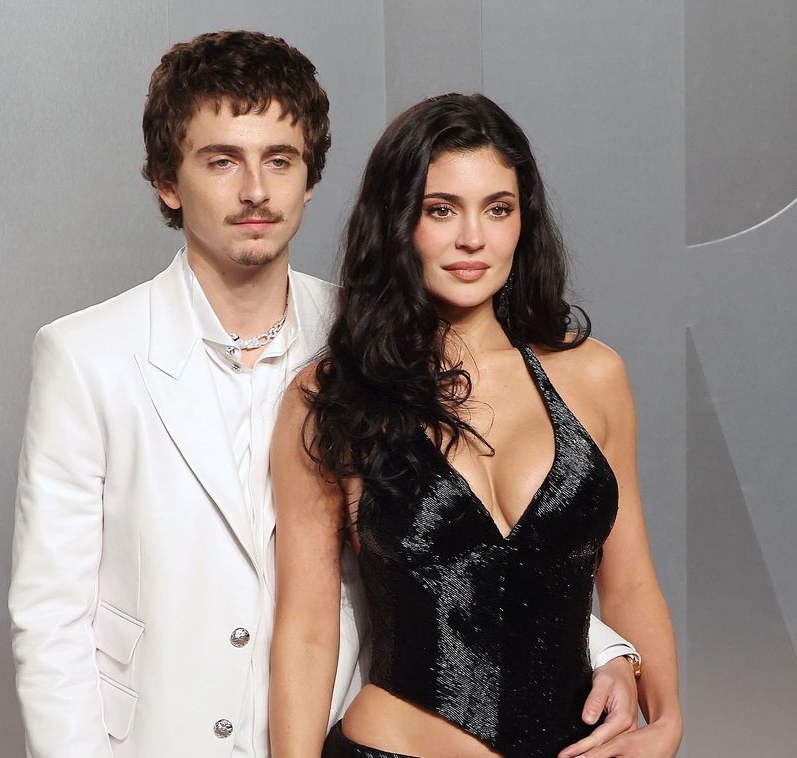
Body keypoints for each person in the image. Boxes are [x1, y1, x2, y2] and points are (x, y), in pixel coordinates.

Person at [9, 31, 640, 758]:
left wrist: (607, 652)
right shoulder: (86, 356)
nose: (255, 190)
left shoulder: (382, 338)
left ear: (310, 178)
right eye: (222, 161)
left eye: (280, 160)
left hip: (338, 731)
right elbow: (50, 620)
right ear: (166, 180)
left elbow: (481, 549)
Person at [270, 94, 682, 758]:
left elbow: (629, 581)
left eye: (497, 208)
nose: (473, 238)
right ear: (397, 221)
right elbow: (307, 630)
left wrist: (666, 720)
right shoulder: (332, 398)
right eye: (441, 210)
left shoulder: (594, 376)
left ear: (523, 221)